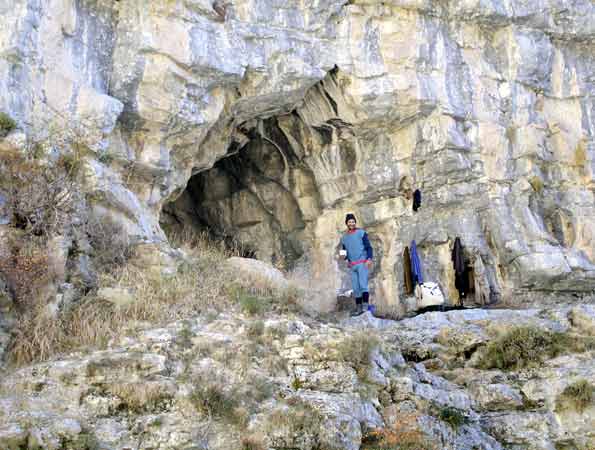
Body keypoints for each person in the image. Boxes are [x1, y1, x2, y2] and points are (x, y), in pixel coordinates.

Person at [339, 213, 373, 316]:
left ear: (355, 222)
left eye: (353, 221)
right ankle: (358, 309)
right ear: (346, 223)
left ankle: (365, 307)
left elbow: (369, 247)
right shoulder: (344, 238)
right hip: (352, 265)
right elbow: (344, 251)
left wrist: (369, 259)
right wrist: (343, 257)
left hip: (362, 263)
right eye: (349, 222)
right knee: (356, 288)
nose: (351, 223)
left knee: (363, 285)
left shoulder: (361, 233)